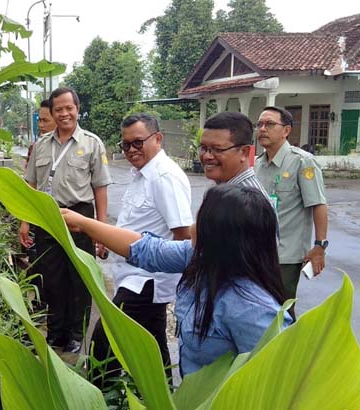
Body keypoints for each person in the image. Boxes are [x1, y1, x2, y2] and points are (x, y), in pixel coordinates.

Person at [61, 184, 293, 376]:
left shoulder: (252, 309)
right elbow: (147, 249)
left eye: (200, 221)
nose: (191, 226)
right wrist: (82, 222)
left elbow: (276, 380)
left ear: (221, 236)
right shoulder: (201, 257)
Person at [90, 113, 192, 387]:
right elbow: (134, 224)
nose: (132, 150)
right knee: (152, 342)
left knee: (106, 339)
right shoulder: (142, 175)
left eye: (138, 143)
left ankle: (101, 397)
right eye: (126, 145)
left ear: (157, 138)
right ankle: (161, 395)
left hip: (147, 279)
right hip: (133, 274)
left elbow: (183, 236)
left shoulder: (165, 177)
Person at [20, 87, 112, 353]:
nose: (64, 114)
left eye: (68, 108)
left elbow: (101, 188)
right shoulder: (41, 145)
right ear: (52, 111)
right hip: (47, 217)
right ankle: (55, 331)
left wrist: (101, 230)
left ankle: (74, 334)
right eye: (58, 109)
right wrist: (25, 221)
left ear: (77, 109)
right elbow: (31, 185)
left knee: (78, 277)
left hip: (80, 217)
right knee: (50, 277)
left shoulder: (91, 144)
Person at [254, 106, 328, 317]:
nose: (262, 129)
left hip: (286, 256)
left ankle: (290, 350)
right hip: (258, 253)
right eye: (259, 124)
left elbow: (318, 204)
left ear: (286, 131)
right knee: (258, 310)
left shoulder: (302, 162)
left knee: (281, 312)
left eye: (269, 124)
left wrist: (319, 246)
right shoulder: (258, 165)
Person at [200, 112, 267, 194]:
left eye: (217, 149)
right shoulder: (222, 187)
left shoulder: (245, 199)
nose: (207, 156)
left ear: (244, 152)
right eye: (203, 148)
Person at [26, 99, 57, 166]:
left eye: (45, 120)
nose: (40, 125)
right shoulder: (35, 147)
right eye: (39, 120)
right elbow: (28, 175)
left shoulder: (72, 146)